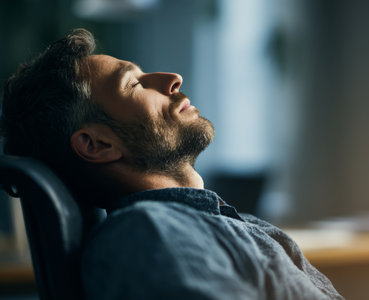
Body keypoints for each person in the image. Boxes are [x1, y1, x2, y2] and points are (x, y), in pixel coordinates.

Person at [1, 29, 344, 300]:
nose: (172, 78)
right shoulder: (146, 235)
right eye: (134, 83)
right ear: (98, 144)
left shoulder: (219, 224)